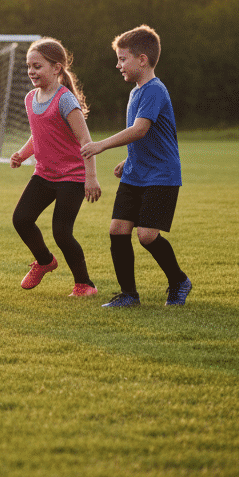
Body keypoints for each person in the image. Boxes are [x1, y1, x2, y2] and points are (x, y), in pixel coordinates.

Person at [80, 25, 191, 308]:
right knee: (118, 229)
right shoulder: (136, 92)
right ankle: (129, 295)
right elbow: (146, 135)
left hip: (161, 175)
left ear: (142, 59)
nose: (118, 65)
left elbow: (141, 129)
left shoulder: (155, 90)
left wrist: (101, 145)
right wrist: (129, 159)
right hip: (136, 173)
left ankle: (179, 281)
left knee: (146, 236)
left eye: (122, 59)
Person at [8, 38, 102, 297]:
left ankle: (85, 285)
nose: (31, 71)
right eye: (29, 66)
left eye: (37, 66)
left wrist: (91, 178)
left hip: (72, 177)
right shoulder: (30, 98)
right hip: (44, 174)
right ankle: (45, 260)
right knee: (21, 219)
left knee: (62, 232)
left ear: (56, 68)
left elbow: (86, 141)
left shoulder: (65, 100)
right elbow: (37, 134)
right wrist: (22, 154)